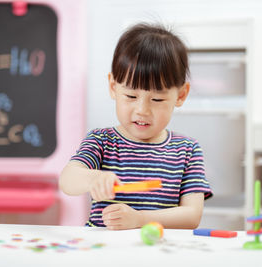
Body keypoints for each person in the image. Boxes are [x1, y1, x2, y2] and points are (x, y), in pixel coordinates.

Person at [59, 22, 212, 230]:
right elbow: (67, 180)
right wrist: (93, 178)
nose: (142, 110)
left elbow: (192, 215)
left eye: (157, 99)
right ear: (113, 87)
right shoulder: (101, 141)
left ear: (181, 95)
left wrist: (140, 220)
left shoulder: (187, 150)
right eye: (131, 96)